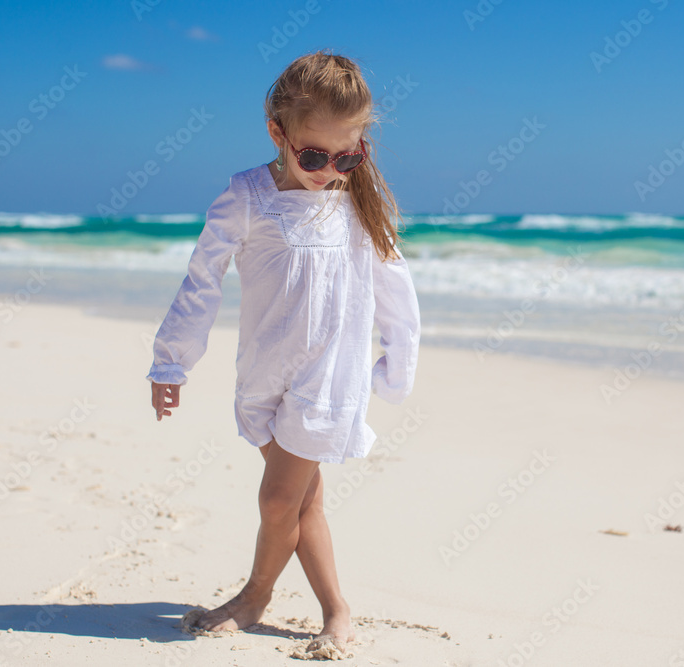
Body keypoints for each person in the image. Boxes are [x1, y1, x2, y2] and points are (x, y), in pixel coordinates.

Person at [146, 50, 420, 655]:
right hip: (265, 374)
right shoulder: (246, 195)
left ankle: (255, 597)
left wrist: (396, 367)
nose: (332, 170)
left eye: (349, 156)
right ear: (278, 133)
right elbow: (203, 278)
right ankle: (336, 609)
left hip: (329, 379)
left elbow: (394, 286)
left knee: (277, 499)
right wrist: (172, 360)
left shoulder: (358, 201)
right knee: (304, 499)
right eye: (316, 156)